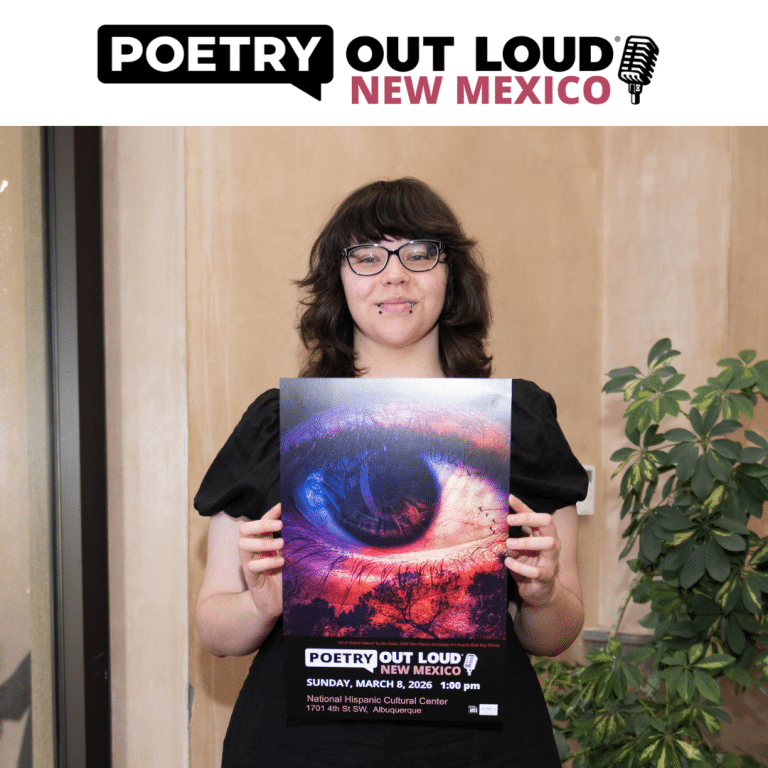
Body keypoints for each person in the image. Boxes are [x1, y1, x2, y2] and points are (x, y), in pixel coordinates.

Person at [194, 178, 588, 767]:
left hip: (482, 749)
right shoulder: (278, 425)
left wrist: (542, 594)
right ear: (339, 280)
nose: (394, 275)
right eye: (367, 256)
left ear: (450, 274)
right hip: (298, 748)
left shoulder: (518, 421)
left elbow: (556, 634)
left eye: (419, 252)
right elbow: (214, 628)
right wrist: (262, 602)